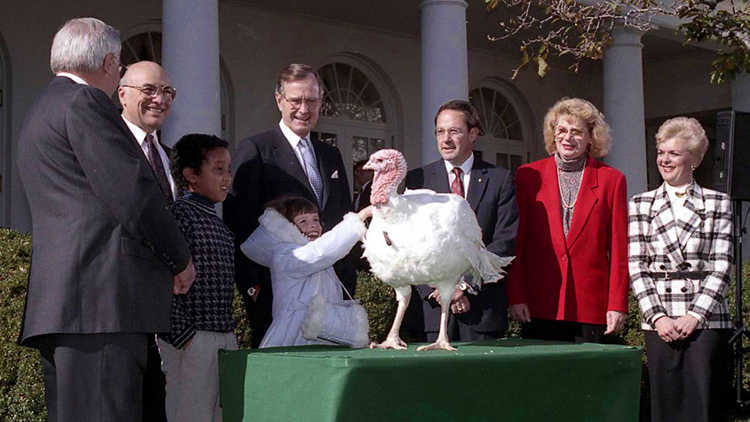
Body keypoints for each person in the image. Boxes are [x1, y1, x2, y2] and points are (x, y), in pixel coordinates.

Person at [16, 18, 194, 422]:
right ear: (110, 61)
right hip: (101, 303)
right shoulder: (86, 102)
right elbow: (133, 191)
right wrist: (179, 258)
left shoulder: (40, 108)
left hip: (64, 305)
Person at [224, 63, 354, 347]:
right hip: (279, 293)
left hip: (330, 292)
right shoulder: (256, 149)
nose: (304, 109)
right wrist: (252, 286)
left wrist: (347, 275)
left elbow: (343, 214)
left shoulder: (330, 154)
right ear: (279, 100)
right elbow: (239, 222)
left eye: (312, 100)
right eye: (296, 100)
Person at [629, 117, 732, 422]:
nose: (664, 159)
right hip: (659, 319)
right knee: (666, 405)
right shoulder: (640, 204)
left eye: (673, 153)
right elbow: (637, 265)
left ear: (695, 159)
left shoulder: (718, 203)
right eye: (661, 152)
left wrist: (695, 316)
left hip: (707, 318)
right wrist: (657, 317)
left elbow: (723, 264)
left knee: (704, 404)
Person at [506, 97, 628, 343]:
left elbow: (618, 249)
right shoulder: (528, 176)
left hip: (590, 305)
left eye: (577, 132)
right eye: (561, 130)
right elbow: (517, 241)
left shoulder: (611, 180)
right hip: (539, 302)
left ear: (591, 137)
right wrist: (516, 295)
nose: (567, 138)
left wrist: (617, 304)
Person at [403, 100, 519, 343]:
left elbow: (504, 241)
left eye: (454, 131)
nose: (446, 139)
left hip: (481, 312)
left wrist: (464, 287)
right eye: (440, 132)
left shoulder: (499, 179)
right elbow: (410, 244)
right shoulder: (418, 179)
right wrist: (439, 291)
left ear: (473, 134)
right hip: (430, 312)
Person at [158, 133, 238, 422]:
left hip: (223, 337)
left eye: (228, 169)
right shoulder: (179, 216)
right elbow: (163, 280)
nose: (226, 177)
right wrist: (184, 337)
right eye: (218, 169)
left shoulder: (219, 225)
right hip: (192, 342)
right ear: (191, 175)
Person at [118, 60, 178, 422]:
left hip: (161, 315)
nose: (160, 99)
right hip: (121, 306)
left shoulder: (167, 155)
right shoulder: (112, 146)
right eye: (150, 90)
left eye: (167, 92)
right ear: (122, 93)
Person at [241, 196, 372, 347]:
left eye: (316, 220)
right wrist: (359, 218)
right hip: (291, 340)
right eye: (303, 221)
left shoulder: (322, 260)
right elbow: (320, 252)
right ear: (286, 228)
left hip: (324, 339)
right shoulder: (286, 255)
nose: (313, 226)